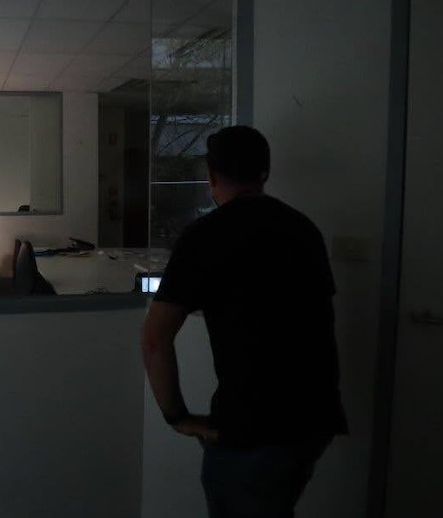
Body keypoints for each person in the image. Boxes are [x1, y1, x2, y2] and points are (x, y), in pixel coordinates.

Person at [141, 125, 348, 517]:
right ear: (264, 173)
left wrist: (177, 417)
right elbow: (301, 312)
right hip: (315, 419)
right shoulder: (303, 229)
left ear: (211, 176)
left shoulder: (206, 236)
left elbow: (154, 340)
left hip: (252, 428)